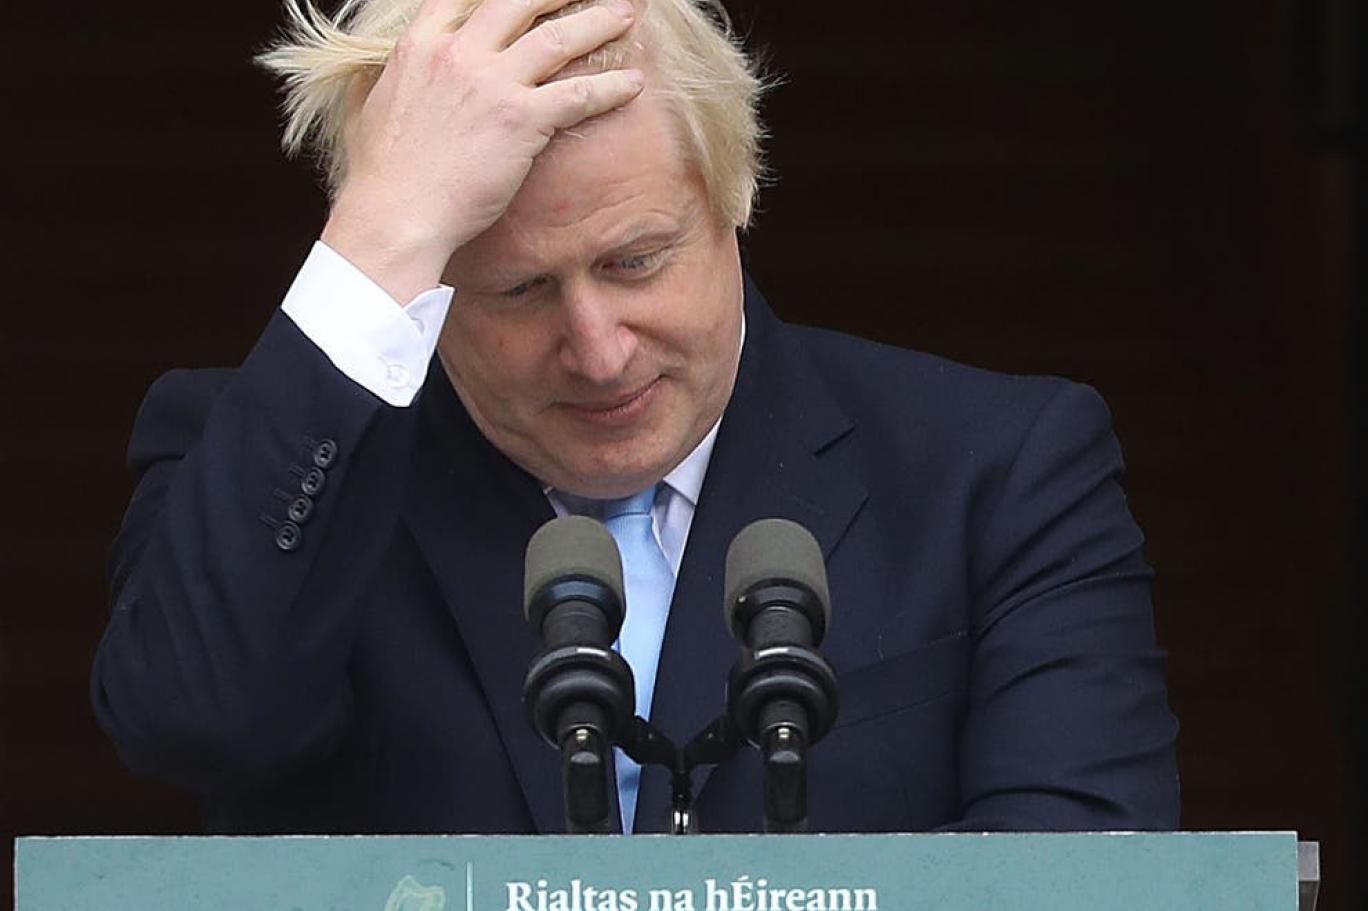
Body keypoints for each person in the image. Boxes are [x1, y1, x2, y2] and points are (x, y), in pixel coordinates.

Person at [92, 0, 1180, 834]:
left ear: (734, 200)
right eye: (519, 289)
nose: (598, 347)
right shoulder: (268, 461)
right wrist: (378, 230)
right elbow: (191, 719)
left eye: (637, 260)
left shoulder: (996, 471)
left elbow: (1086, 876)